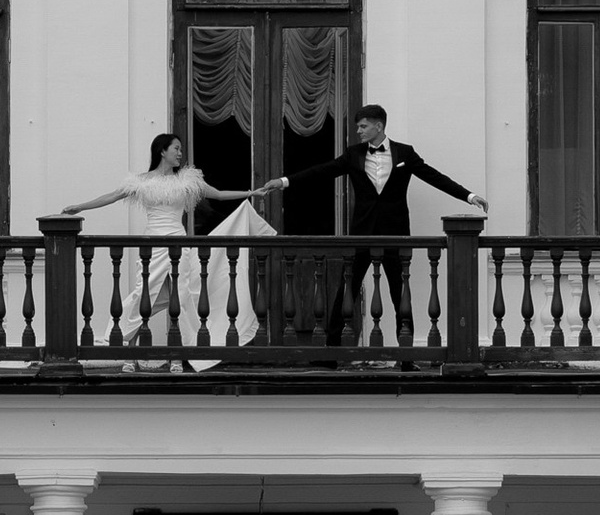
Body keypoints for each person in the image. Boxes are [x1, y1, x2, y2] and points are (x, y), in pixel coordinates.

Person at [64, 132, 283, 350]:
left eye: (180, 149)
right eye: (176, 148)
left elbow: (217, 194)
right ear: (162, 151)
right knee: (143, 294)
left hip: (178, 243)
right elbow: (111, 196)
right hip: (152, 244)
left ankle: (177, 355)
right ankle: (131, 350)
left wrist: (251, 193)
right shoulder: (141, 181)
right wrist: (80, 207)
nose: (180, 153)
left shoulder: (187, 181)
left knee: (180, 296)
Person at [305, 106, 486, 347]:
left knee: (400, 293)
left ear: (378, 126)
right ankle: (331, 350)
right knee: (347, 289)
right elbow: (321, 171)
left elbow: (434, 177)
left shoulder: (404, 153)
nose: (359, 131)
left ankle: (406, 354)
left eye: (363, 126)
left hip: (395, 233)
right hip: (361, 234)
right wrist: (284, 182)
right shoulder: (353, 154)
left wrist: (469, 196)